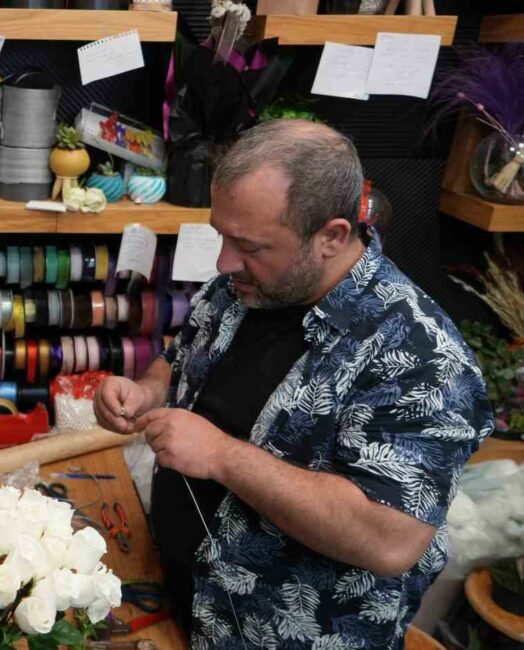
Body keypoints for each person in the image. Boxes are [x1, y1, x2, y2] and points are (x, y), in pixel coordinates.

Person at [95, 119, 492, 649]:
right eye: (222, 236)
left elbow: (390, 537)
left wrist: (220, 455)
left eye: (250, 245)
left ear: (331, 236)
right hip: (185, 604)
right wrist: (147, 389)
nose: (222, 262)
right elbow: (180, 356)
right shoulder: (244, 286)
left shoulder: (423, 357)